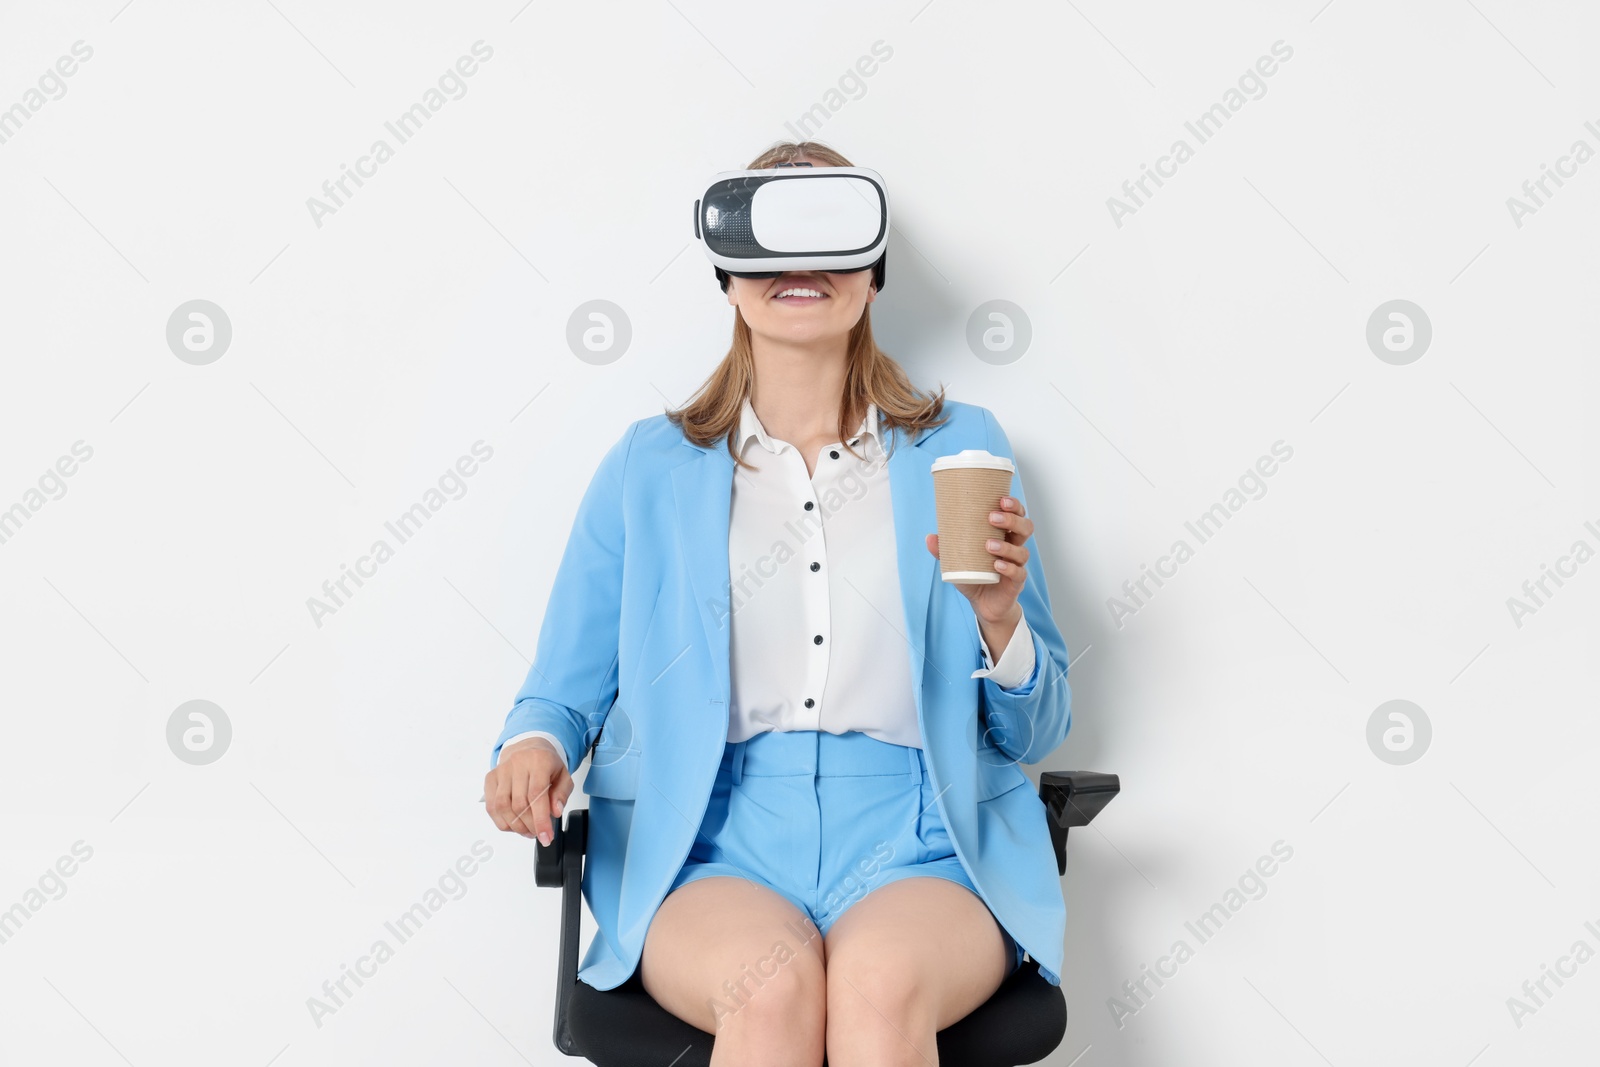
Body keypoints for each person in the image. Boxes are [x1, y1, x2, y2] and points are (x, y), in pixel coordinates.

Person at [484, 141, 1073, 1067]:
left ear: (874, 275)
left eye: (831, 242)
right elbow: (563, 689)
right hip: (709, 842)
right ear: (728, 275)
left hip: (927, 839)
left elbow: (1037, 732)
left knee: (878, 988)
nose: (800, 269)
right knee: (772, 987)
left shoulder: (959, 449)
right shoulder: (650, 466)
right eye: (769, 244)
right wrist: (533, 745)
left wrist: (1002, 623)